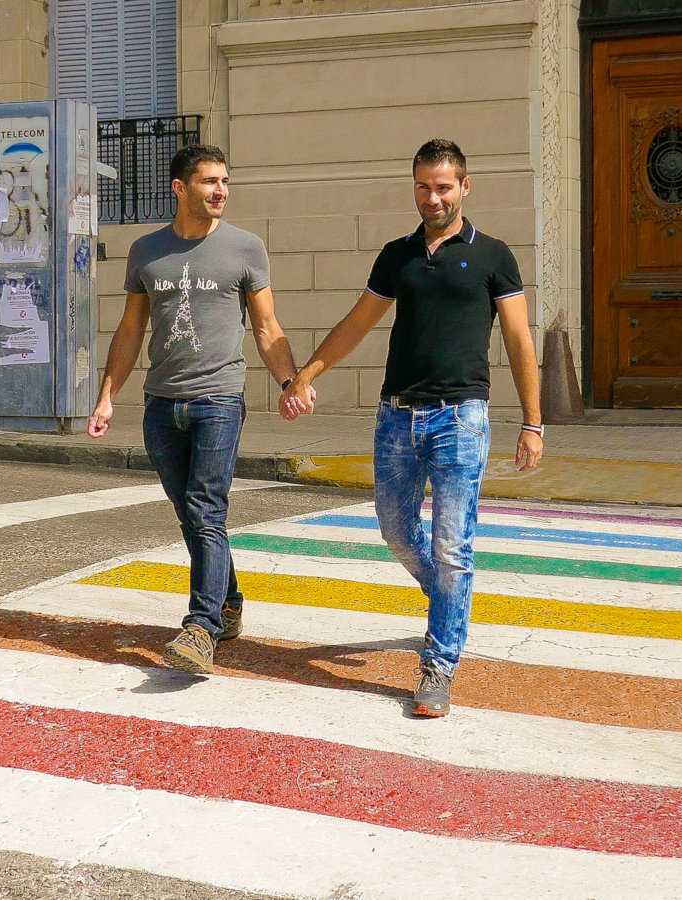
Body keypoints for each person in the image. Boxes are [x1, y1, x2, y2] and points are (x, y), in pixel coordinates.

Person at [280, 138, 544, 717]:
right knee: (395, 531)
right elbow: (357, 322)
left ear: (464, 187)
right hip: (396, 416)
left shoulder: (495, 255)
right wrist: (305, 374)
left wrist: (533, 422)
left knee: (453, 548)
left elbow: (520, 340)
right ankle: (448, 599)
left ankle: (439, 664)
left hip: (462, 419)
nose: (433, 197)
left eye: (444, 186)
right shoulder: (396, 255)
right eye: (424, 186)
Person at [87, 144, 311, 674]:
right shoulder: (146, 251)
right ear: (179, 188)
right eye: (210, 182)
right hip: (161, 403)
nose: (220, 191)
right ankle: (228, 602)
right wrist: (106, 396)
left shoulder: (245, 248)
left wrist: (289, 379)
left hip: (218, 400)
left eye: (226, 181)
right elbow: (130, 329)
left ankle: (201, 628)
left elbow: (266, 326)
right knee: (191, 512)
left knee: (207, 508)